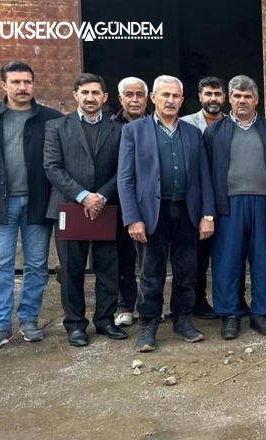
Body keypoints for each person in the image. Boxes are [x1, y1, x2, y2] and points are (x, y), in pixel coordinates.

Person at [0, 60, 62, 352]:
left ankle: (29, 320)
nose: (22, 87)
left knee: (36, 265)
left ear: (34, 84)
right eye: (16, 82)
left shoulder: (51, 118)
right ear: (3, 85)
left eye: (27, 82)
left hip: (37, 203)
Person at [117, 75, 216, 352]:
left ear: (182, 101)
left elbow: (204, 176)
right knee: (151, 273)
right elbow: (125, 179)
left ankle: (183, 320)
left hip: (187, 211)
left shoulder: (193, 133)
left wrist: (208, 214)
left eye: (175, 96)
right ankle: (148, 326)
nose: (170, 100)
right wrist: (132, 218)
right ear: (154, 99)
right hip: (151, 214)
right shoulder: (134, 131)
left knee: (187, 272)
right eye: (165, 95)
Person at [43, 73, 127, 346]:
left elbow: (123, 169)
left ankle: (105, 320)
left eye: (96, 93)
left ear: (104, 97)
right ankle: (75, 325)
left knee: (108, 268)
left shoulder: (120, 130)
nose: (90, 97)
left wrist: (101, 195)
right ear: (75, 95)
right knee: (71, 270)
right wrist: (82, 196)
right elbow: (52, 167)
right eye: (85, 92)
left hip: (107, 207)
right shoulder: (56, 127)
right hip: (70, 207)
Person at [202, 75, 266, 338]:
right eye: (237, 96)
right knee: (227, 260)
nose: (242, 101)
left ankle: (261, 313)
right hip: (228, 206)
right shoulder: (214, 132)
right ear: (229, 98)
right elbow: (205, 174)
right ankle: (229, 314)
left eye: (247, 96)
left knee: (265, 260)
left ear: (257, 100)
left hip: (264, 204)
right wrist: (209, 211)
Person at [181, 76, 232, 320]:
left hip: (228, 200)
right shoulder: (185, 125)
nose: (213, 99)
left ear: (225, 97)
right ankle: (194, 302)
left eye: (217, 94)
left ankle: (232, 299)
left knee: (226, 254)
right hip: (196, 201)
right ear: (199, 96)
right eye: (208, 94)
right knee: (196, 257)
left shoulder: (232, 124)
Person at [110, 77, 150, 327]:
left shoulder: (158, 125)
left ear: (148, 98)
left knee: (150, 259)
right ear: (120, 99)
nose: (134, 100)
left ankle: (150, 306)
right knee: (121, 255)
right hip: (117, 200)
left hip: (150, 202)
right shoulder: (110, 127)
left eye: (139, 95)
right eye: (129, 95)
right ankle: (125, 304)